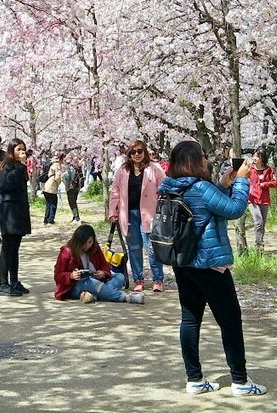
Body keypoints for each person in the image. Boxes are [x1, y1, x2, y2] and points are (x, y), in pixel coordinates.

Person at [158, 140, 266, 397]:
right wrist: (241, 180)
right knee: (230, 321)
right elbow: (235, 210)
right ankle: (240, 381)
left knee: (190, 319)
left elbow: (203, 207)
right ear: (194, 161)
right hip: (210, 264)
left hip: (183, 262)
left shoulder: (170, 186)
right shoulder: (200, 187)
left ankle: (194, 379)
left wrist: (224, 185)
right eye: (203, 156)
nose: (207, 160)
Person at [108, 139, 167, 293]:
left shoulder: (154, 169)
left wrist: (161, 209)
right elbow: (115, 191)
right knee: (134, 248)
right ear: (129, 155)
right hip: (128, 214)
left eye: (140, 151)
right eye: (133, 152)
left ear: (145, 152)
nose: (136, 154)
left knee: (152, 248)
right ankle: (138, 279)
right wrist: (113, 212)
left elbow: (165, 189)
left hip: (150, 214)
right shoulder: (123, 171)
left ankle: (158, 279)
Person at [54, 225, 143, 304]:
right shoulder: (67, 251)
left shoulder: (94, 248)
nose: (87, 245)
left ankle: (95, 295)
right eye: (84, 243)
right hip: (75, 286)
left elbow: (105, 265)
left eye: (90, 242)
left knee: (120, 277)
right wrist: (71, 276)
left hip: (96, 281)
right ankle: (125, 297)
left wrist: (103, 273)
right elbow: (58, 276)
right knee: (90, 282)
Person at [0, 138, 32, 296]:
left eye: (23, 149)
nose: (22, 152)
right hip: (9, 211)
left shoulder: (20, 167)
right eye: (18, 149)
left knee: (15, 249)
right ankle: (3, 284)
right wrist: (21, 167)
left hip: (19, 210)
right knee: (7, 248)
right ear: (11, 151)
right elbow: (6, 185)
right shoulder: (7, 166)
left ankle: (14, 281)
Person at [248, 149, 277, 254]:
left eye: (257, 156)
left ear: (262, 158)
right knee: (258, 221)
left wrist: (265, 184)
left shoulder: (268, 170)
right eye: (254, 156)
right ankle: (259, 244)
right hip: (252, 199)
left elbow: (275, 183)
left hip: (264, 199)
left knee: (262, 223)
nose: (254, 158)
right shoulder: (249, 168)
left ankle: (259, 244)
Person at [42, 153, 66, 225]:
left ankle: (46, 219)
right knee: (53, 204)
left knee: (48, 204)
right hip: (52, 186)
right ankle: (50, 220)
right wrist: (59, 182)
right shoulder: (57, 166)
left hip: (46, 186)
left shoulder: (51, 165)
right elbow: (58, 177)